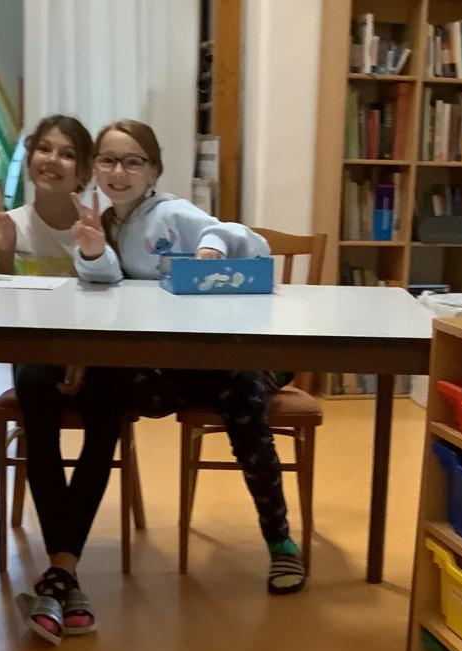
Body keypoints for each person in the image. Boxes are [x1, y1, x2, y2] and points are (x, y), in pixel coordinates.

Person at [70, 119, 306, 595]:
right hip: (171, 366)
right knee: (111, 386)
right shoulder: (106, 222)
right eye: (108, 161)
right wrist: (93, 251)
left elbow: (244, 240)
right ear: (95, 167)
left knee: (244, 401)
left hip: (228, 357)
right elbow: (106, 281)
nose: (119, 172)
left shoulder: (172, 212)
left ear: (153, 171)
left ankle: (280, 541)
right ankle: (67, 548)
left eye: (133, 162)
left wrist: (213, 245)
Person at [0, 115, 125, 644]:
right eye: (43, 149)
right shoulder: (10, 223)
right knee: (37, 398)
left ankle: (60, 571)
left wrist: (83, 353)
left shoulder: (98, 223)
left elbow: (113, 301)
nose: (51, 160)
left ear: (83, 172)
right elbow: (2, 311)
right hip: (35, 356)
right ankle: (66, 575)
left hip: (95, 354)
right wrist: (5, 251)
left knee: (108, 409)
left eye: (66, 153)